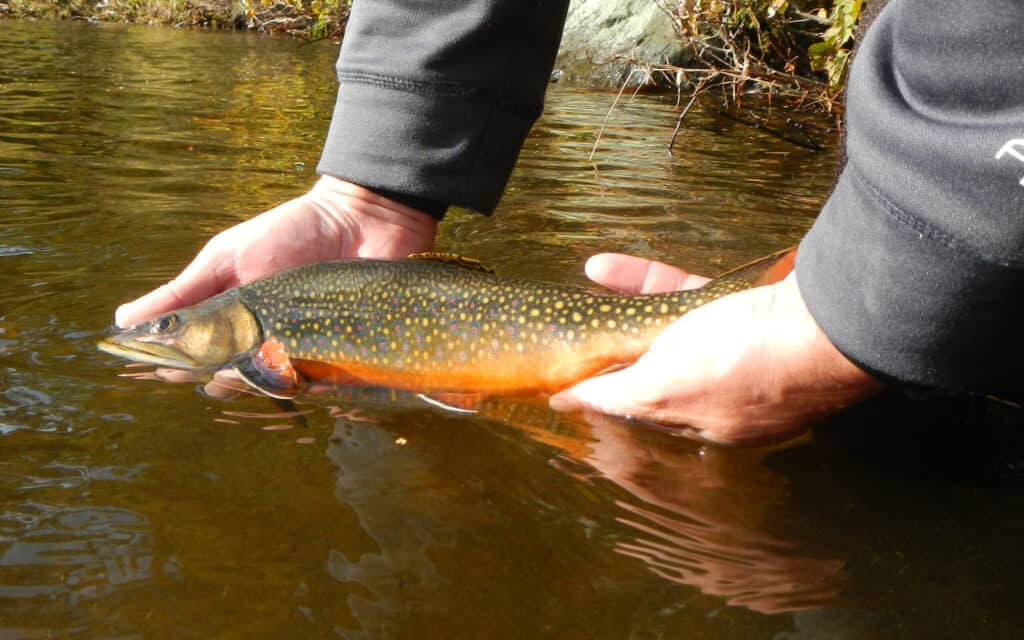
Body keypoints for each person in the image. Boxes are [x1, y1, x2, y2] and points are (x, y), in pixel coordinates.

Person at [114, 0, 1024, 446]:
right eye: (169, 330)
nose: (163, 331)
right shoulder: (272, 318)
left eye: (170, 328)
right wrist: (368, 193)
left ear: (231, 331)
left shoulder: (264, 338)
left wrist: (843, 318)